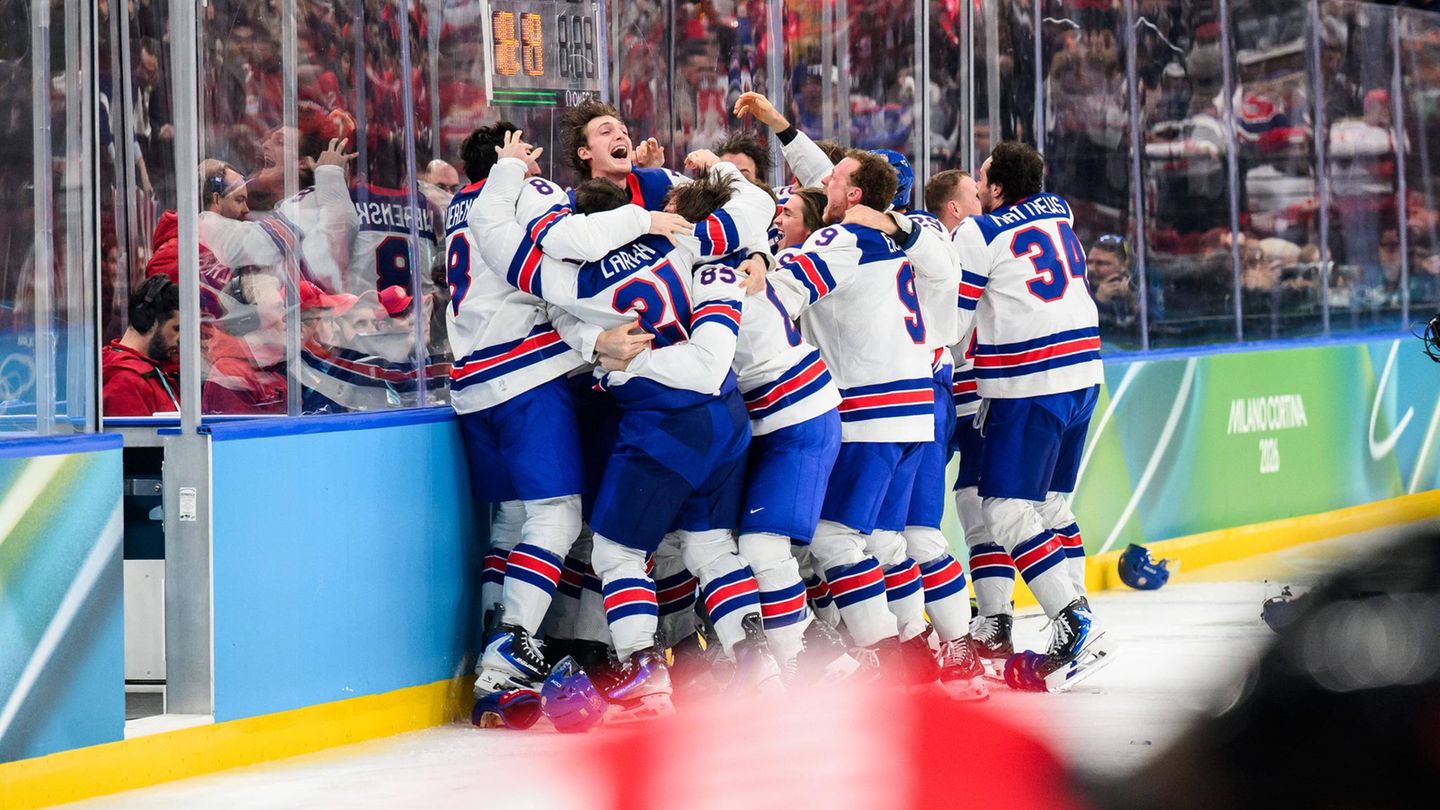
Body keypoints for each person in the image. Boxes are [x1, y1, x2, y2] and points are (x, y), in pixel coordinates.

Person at [473, 138, 777, 715]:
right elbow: (755, 207)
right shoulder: (677, 237)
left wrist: (509, 164)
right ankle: (754, 661)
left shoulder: (564, 278)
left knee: (615, 552)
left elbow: (491, 230)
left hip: (664, 422)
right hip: (727, 419)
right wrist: (711, 166)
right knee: (710, 547)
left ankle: (643, 668)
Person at [446, 124, 691, 706]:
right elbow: (571, 244)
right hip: (525, 376)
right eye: (527, 149)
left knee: (510, 524)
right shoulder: (531, 194)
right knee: (558, 518)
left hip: (471, 385)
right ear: (514, 155)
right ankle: (513, 643)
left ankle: (492, 664)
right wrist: (644, 219)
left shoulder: (458, 207)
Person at [953, 142, 1114, 692]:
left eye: (983, 178)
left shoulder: (982, 232)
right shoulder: (1059, 210)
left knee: (1003, 510)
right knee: (1050, 504)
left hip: (1031, 382)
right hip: (1084, 373)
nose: (976, 186)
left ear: (997, 188)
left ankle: (1072, 620)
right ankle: (1078, 614)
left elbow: (955, 322)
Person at [102, 275, 181, 416]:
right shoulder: (125, 382)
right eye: (176, 328)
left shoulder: (147, 371)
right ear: (149, 321)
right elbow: (134, 438)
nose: (181, 340)